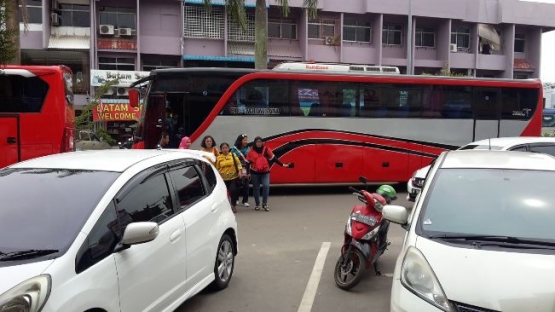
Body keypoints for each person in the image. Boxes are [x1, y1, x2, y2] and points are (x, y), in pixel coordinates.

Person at [246, 136, 291, 211]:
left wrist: (282, 164)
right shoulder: (251, 151)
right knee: (256, 188)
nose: (259, 143)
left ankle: (264, 203)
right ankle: (257, 204)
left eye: (260, 142)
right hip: (254, 172)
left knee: (266, 186)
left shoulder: (266, 149)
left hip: (265, 172)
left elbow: (274, 158)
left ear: (262, 142)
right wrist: (248, 173)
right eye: (257, 142)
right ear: (255, 143)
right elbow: (247, 162)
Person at [215, 142, 242, 213]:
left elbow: (238, 164)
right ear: (221, 149)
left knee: (233, 191)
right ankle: (226, 206)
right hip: (223, 179)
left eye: (226, 148)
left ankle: (233, 205)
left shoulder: (233, 155)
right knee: (224, 193)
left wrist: (239, 171)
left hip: (233, 177)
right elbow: (217, 168)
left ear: (228, 148)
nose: (225, 149)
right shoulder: (219, 158)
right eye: (223, 148)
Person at [373, 185, 397, 250]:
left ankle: (382, 243)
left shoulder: (387, 207)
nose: (384, 198)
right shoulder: (373, 199)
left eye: (386, 197)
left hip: (379, 220)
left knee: (386, 222)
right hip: (369, 218)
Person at [231, 134, 251, 207]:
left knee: (246, 185)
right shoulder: (234, 149)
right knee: (237, 185)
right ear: (240, 140)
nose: (246, 141)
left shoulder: (248, 149)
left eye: (246, 140)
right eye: (244, 140)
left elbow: (249, 161)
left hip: (246, 168)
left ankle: (245, 201)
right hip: (237, 169)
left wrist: (249, 172)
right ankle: (236, 199)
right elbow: (232, 160)